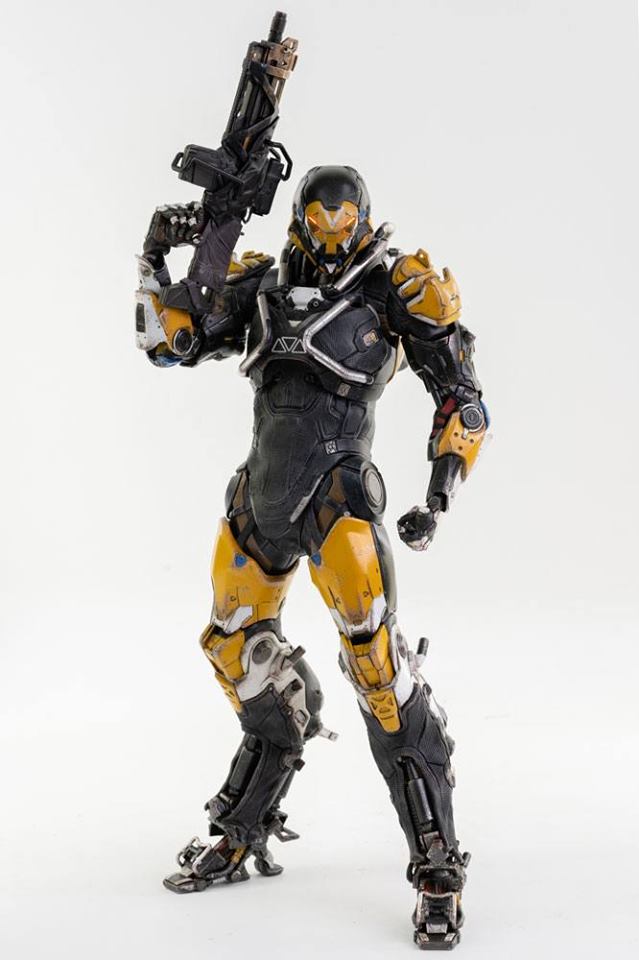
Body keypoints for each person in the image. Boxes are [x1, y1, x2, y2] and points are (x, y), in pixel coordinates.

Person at [136, 164, 488, 950]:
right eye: (319, 223)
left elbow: (461, 397)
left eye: (343, 223)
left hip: (337, 498)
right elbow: (168, 342)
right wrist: (157, 254)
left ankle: (436, 864)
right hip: (259, 495)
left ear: (360, 219)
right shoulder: (260, 283)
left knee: (380, 677)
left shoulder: (393, 287)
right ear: (300, 219)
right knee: (236, 652)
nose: (330, 238)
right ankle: (245, 827)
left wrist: (437, 496)